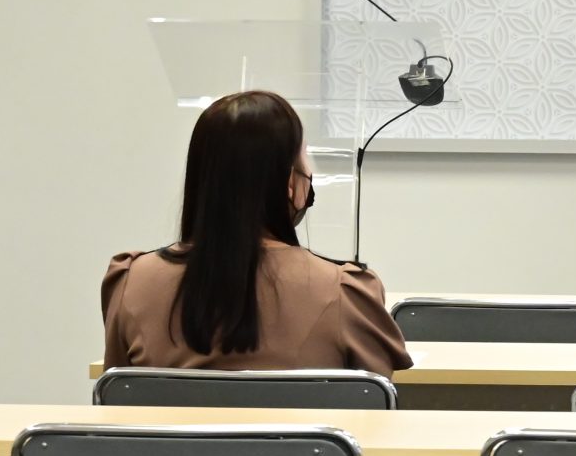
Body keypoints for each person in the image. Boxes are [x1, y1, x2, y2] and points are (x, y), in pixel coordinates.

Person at [103, 89, 410, 375]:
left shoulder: (131, 282)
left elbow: (117, 402)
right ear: (289, 182)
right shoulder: (345, 292)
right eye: (305, 156)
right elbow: (375, 403)